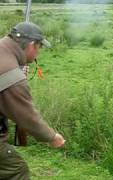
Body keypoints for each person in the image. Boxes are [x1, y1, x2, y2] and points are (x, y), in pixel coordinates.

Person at [0, 22, 65, 179]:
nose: (38, 52)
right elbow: (27, 116)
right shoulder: (12, 77)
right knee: (16, 169)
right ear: (31, 45)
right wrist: (51, 136)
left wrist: (18, 67)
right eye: (39, 47)